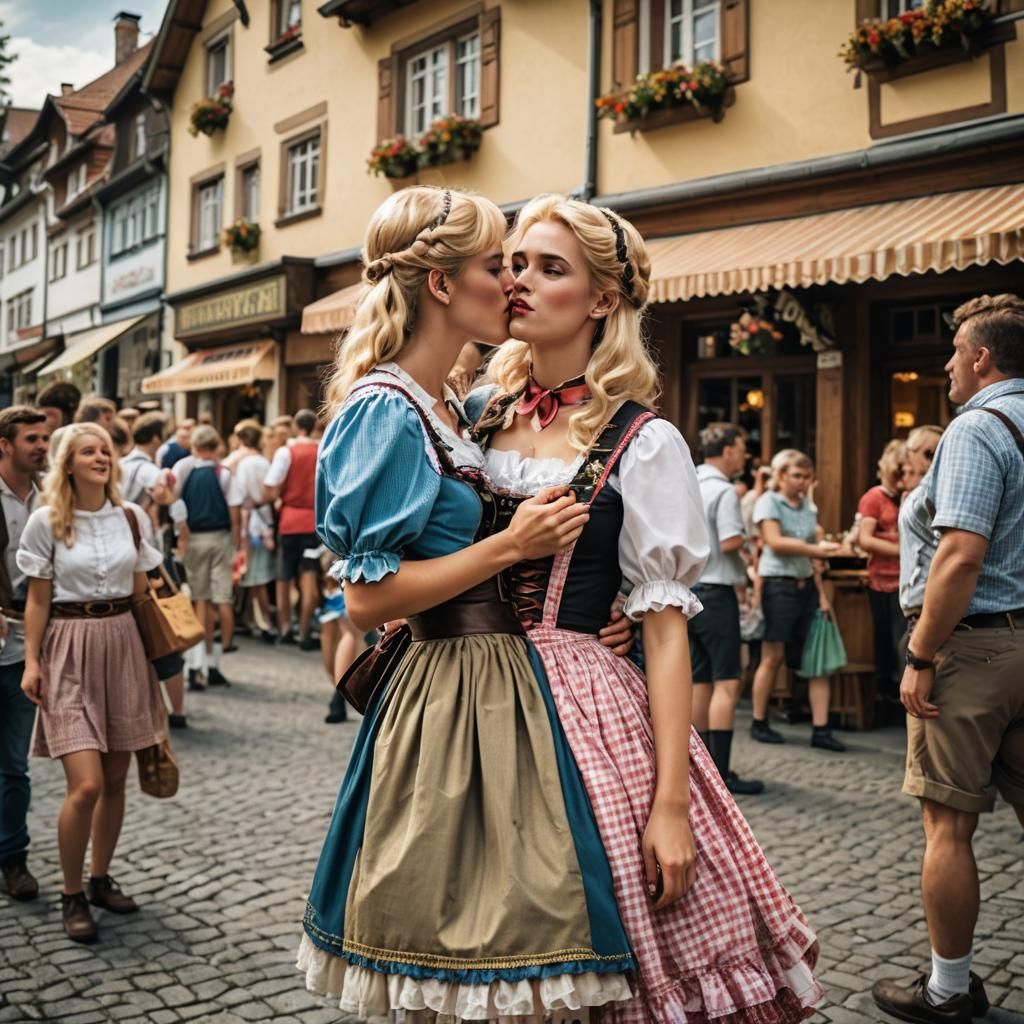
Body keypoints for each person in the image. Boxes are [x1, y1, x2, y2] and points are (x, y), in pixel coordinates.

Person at [467, 194, 820, 1023]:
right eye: (517, 262)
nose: (520, 281)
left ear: (601, 301)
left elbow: (667, 636)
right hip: (463, 701)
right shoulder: (473, 418)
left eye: (550, 268)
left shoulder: (643, 439)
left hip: (582, 711)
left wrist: (669, 807)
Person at [297, 186, 638, 1021]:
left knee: (516, 927)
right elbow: (367, 600)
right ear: (443, 286)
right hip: (443, 686)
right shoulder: (386, 410)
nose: (512, 285)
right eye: (498, 265)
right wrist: (512, 547)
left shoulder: (452, 408)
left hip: (496, 679)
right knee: (448, 933)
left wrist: (586, 610)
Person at [872, 294, 1024, 1024]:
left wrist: (921, 652)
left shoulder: (977, 427)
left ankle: (949, 990)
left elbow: (960, 553)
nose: (946, 364)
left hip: (973, 646)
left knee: (949, 827)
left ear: (981, 357)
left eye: (954, 351)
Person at [17, 423, 165, 942]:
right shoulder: (46, 522)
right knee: (86, 785)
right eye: (88, 450)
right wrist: (32, 662)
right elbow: (37, 599)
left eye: (105, 449)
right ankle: (71, 892)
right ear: (68, 463)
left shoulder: (133, 517)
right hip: (68, 647)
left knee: (117, 780)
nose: (101, 457)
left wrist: (161, 656)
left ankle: (101, 879)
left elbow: (145, 590)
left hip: (124, 644)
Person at [749, 449, 844, 750]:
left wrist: (822, 595)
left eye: (806, 476)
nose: (802, 482)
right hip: (779, 587)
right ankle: (759, 721)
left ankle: (821, 729)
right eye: (796, 476)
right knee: (773, 656)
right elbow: (775, 542)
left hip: (806, 587)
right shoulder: (768, 502)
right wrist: (818, 550)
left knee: (814, 659)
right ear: (780, 476)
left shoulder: (809, 507)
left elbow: (814, 556)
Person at [690, 423, 763, 795]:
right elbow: (731, 540)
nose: (745, 454)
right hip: (718, 590)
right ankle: (721, 772)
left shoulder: (689, 482)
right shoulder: (724, 490)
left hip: (689, 592)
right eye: (742, 447)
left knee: (700, 679)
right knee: (727, 681)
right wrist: (752, 546)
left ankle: (698, 771)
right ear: (728, 450)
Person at [0, 407, 50, 902]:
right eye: (31, 438)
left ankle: (13, 858)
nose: (41, 446)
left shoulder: (52, 498)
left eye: (44, 438)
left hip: (22, 651)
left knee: (14, 764)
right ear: (4, 445)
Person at [169, 425, 242, 689]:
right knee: (222, 597)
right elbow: (235, 512)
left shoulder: (183, 469)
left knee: (198, 599)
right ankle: (217, 657)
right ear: (217, 446)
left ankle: (196, 662)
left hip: (194, 538)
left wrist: (180, 536)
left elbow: (174, 503)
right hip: (220, 537)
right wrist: (236, 541)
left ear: (195, 448)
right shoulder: (224, 473)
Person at [263, 408, 320, 648]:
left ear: (297, 427)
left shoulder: (286, 452)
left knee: (284, 577)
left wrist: (277, 497)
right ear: (314, 426)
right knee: (309, 576)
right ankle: (304, 629)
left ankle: (284, 627)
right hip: (315, 521)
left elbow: (270, 485)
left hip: (289, 520)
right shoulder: (322, 449)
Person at [856, 439, 907, 702]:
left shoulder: (908, 495)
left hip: (906, 579)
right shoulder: (875, 497)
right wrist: (904, 549)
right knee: (890, 640)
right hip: (883, 580)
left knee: (903, 640)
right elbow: (865, 539)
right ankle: (888, 691)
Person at [228, 421, 276, 643]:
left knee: (255, 579)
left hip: (251, 526)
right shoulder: (265, 462)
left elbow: (241, 494)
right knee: (256, 577)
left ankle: (264, 623)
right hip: (264, 522)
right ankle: (252, 620)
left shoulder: (245, 464)